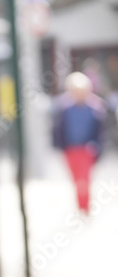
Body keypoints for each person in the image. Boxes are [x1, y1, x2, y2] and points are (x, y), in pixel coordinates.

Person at [53, 72, 105, 213]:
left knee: (84, 179)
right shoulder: (64, 108)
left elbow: (100, 131)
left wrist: (97, 147)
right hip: (70, 149)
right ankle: (80, 206)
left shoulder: (95, 107)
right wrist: (60, 146)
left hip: (87, 149)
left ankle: (85, 207)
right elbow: (57, 129)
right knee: (76, 179)